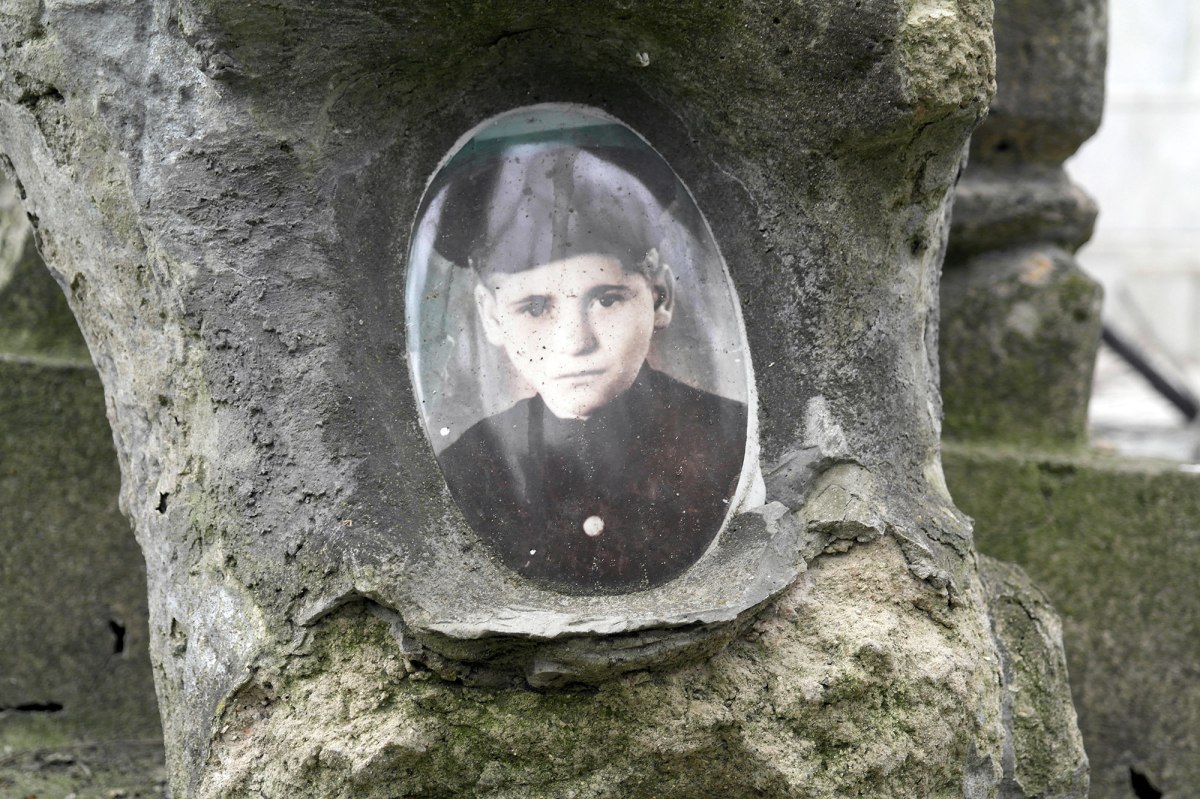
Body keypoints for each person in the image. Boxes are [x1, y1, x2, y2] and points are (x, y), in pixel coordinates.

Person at [429, 136, 746, 593]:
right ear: (491, 317)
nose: (575, 343)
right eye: (535, 308)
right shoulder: (472, 470)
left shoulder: (726, 441)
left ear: (659, 296)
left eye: (606, 299)